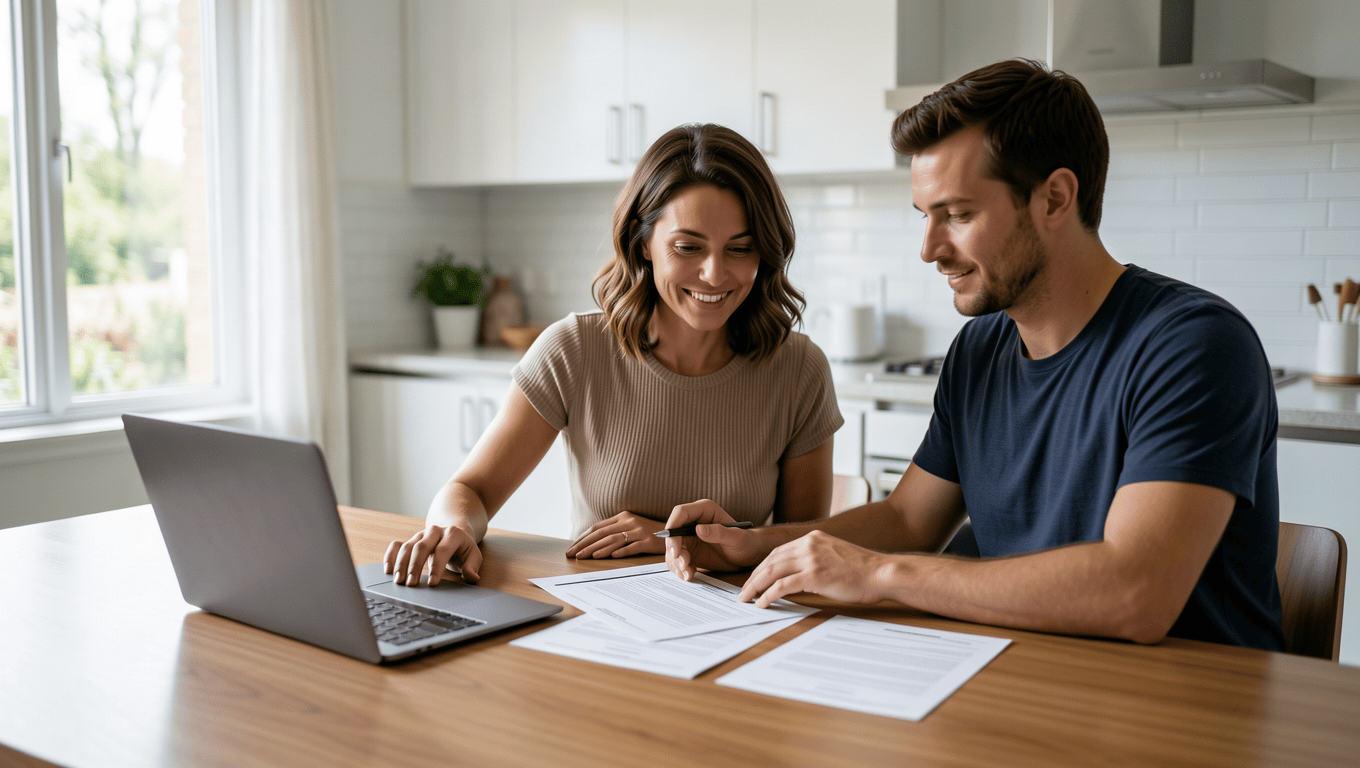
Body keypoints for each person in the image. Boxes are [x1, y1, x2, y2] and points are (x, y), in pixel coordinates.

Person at [665, 59, 1284, 651]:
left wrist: (881, 576)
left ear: (1055, 199)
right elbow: (909, 522)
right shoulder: (981, 349)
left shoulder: (1192, 346)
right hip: (1027, 680)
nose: (930, 248)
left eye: (957, 214)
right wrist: (753, 545)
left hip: (1190, 713)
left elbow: (1134, 593)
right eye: (924, 216)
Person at [385, 123, 843, 586]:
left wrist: (685, 543)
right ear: (643, 242)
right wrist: (455, 528)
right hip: (597, 620)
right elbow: (470, 490)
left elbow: (805, 545)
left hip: (738, 620)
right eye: (688, 247)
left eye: (740, 248)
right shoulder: (575, 350)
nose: (714, 273)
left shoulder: (798, 369)